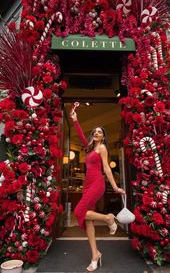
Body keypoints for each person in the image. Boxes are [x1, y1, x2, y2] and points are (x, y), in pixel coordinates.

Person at [70, 109, 125, 272]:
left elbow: (107, 169)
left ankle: (108, 219)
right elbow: (81, 136)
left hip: (97, 184)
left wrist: (115, 187)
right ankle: (95, 255)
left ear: (103, 137)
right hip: (87, 185)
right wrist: (75, 120)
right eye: (94, 132)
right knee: (88, 220)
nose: (96, 133)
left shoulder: (102, 148)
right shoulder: (89, 147)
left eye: (99, 132)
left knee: (79, 211)